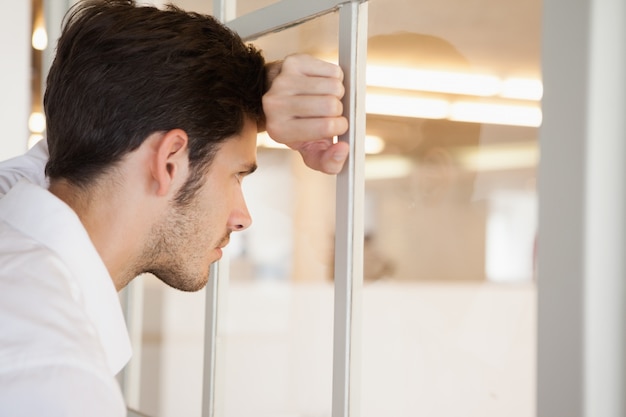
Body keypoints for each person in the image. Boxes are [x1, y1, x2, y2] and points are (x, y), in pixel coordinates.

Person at [0, 1, 348, 416]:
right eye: (237, 175)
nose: (242, 216)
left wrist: (256, 90)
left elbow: (99, 133)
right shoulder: (53, 373)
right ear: (169, 162)